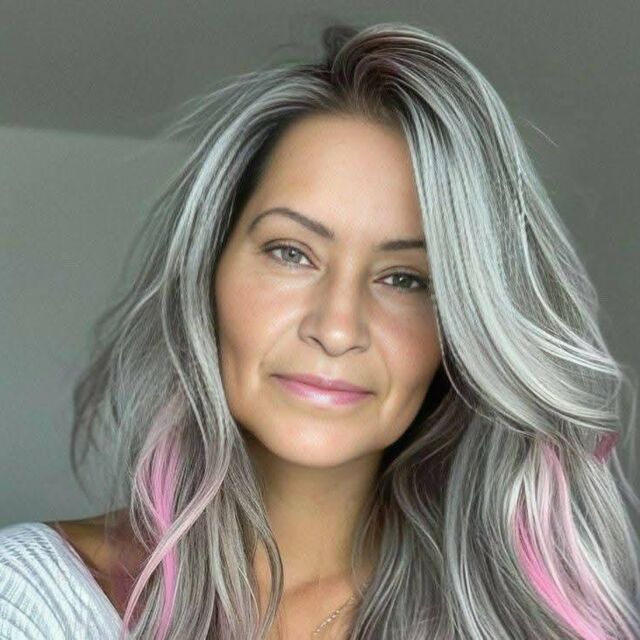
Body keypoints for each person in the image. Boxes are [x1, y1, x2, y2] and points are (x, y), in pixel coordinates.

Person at [1, 20, 639, 640]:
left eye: (405, 279)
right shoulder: (32, 600)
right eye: (291, 253)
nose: (336, 329)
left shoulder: (528, 624)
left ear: (463, 330)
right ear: (210, 269)